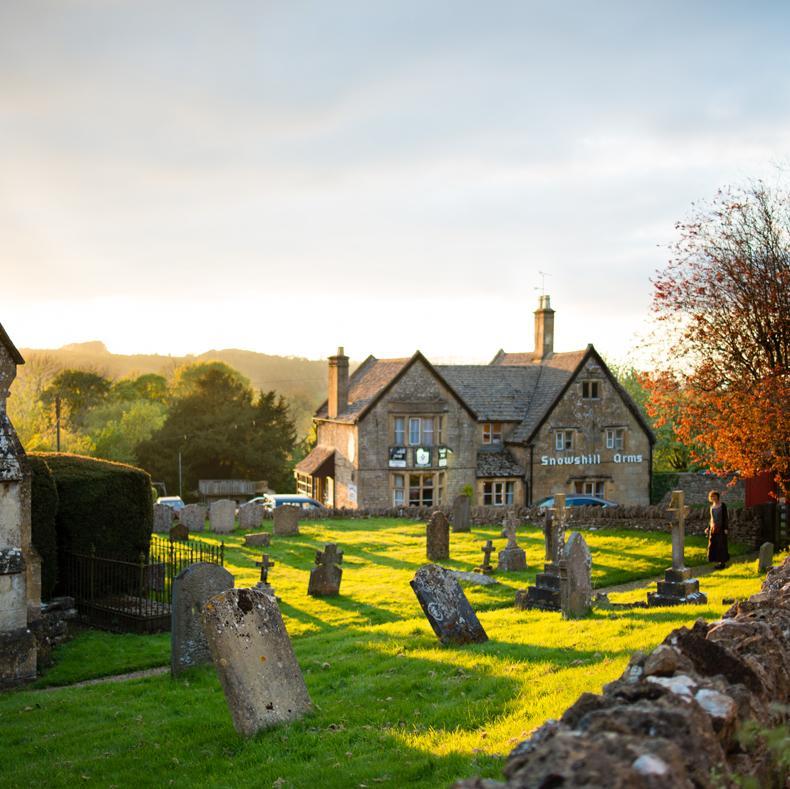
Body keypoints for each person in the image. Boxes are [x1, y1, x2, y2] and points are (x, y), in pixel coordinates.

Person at [707, 490, 729, 569]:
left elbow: (725, 517)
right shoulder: (711, 507)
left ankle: (722, 563)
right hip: (713, 529)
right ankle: (718, 562)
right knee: (714, 545)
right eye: (712, 496)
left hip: (721, 529)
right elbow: (711, 519)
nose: (714, 498)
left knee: (721, 545)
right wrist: (708, 528)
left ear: (718, 497)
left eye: (715, 496)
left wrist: (726, 528)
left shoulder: (722, 505)